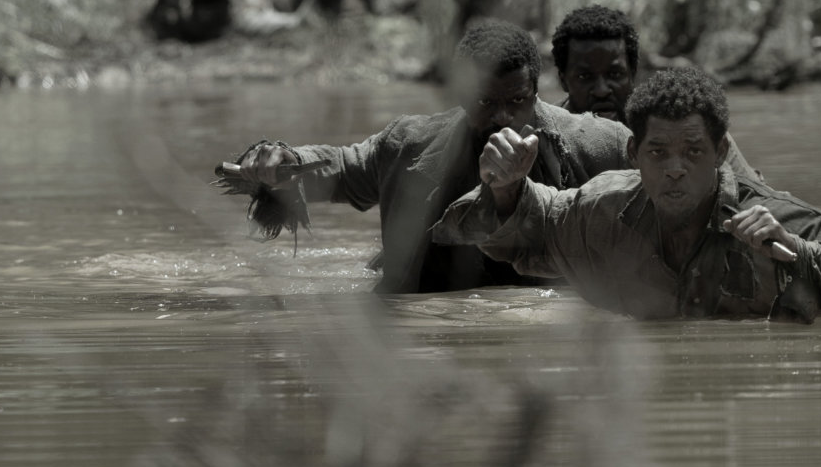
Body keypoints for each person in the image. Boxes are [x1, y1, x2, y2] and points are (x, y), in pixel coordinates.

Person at [432, 66, 821, 321]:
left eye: (693, 152)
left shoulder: (768, 217)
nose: (676, 170)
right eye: (658, 152)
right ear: (634, 151)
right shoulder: (602, 210)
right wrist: (504, 186)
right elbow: (525, 229)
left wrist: (805, 256)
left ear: (721, 152)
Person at [218, 21, 629, 295]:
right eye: (484, 102)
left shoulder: (599, 145)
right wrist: (281, 160)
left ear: (536, 92)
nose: (502, 117)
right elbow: (339, 165)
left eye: (517, 102)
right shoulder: (409, 144)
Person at [550, 2, 760, 180]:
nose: (602, 90)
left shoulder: (688, 123)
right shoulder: (546, 138)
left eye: (614, 75)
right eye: (585, 77)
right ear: (563, 81)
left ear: (632, 74)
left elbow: (757, 196)